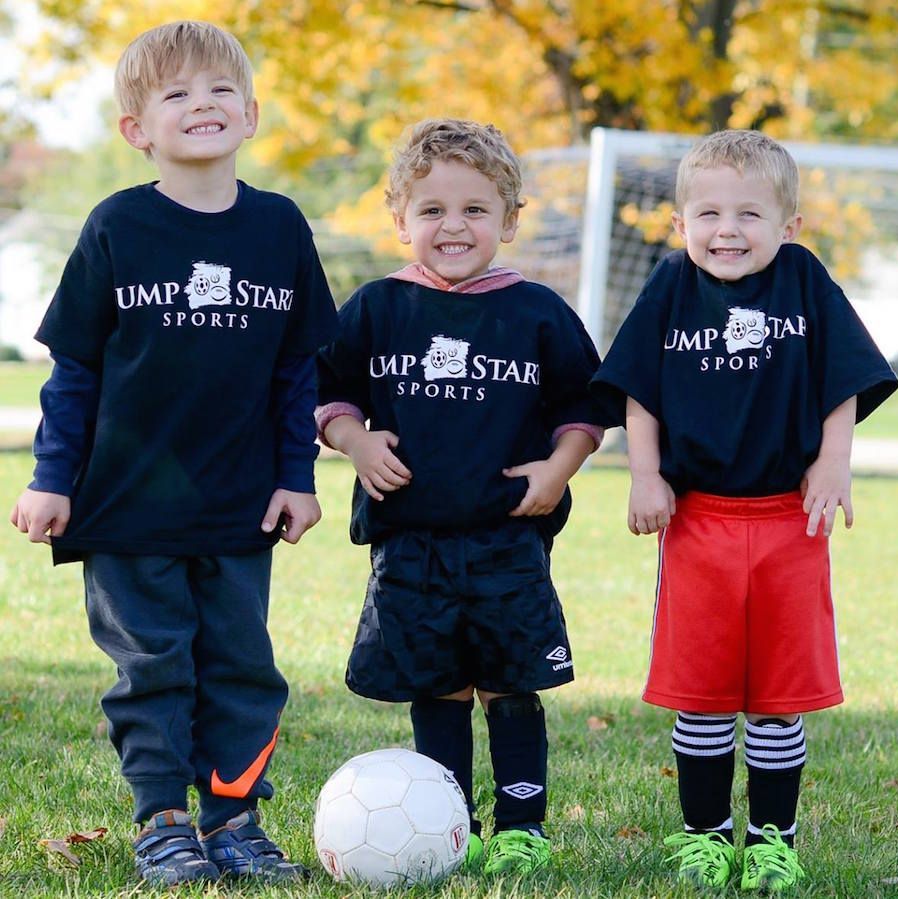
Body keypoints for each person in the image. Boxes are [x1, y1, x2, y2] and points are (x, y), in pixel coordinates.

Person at [8, 21, 339, 887]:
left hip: (238, 504)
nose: (203, 105)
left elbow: (296, 371)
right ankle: (162, 820)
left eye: (220, 89)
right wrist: (51, 479)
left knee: (240, 663)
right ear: (136, 129)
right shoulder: (117, 224)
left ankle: (235, 820)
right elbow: (76, 368)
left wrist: (296, 478)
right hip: (125, 504)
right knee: (152, 664)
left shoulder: (279, 226)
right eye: (177, 94)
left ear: (253, 112)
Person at [590, 129, 898, 892]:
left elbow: (845, 378)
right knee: (702, 691)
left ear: (788, 225)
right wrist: (645, 475)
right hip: (699, 521)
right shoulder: (669, 283)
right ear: (680, 223)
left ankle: (773, 838)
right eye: (709, 214)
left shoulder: (803, 280)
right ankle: (703, 834)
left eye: (750, 215)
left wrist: (833, 462)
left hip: (790, 522)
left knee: (776, 700)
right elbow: (638, 391)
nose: (727, 230)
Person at [316, 118, 608, 875]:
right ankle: (451, 823)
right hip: (411, 542)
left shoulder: (537, 310)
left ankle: (521, 826)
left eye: (476, 209)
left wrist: (558, 471)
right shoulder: (378, 307)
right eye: (433, 210)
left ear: (510, 220)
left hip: (508, 539)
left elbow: (584, 410)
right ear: (400, 218)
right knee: (439, 687)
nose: (454, 226)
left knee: (510, 684)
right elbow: (329, 396)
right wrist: (357, 442)